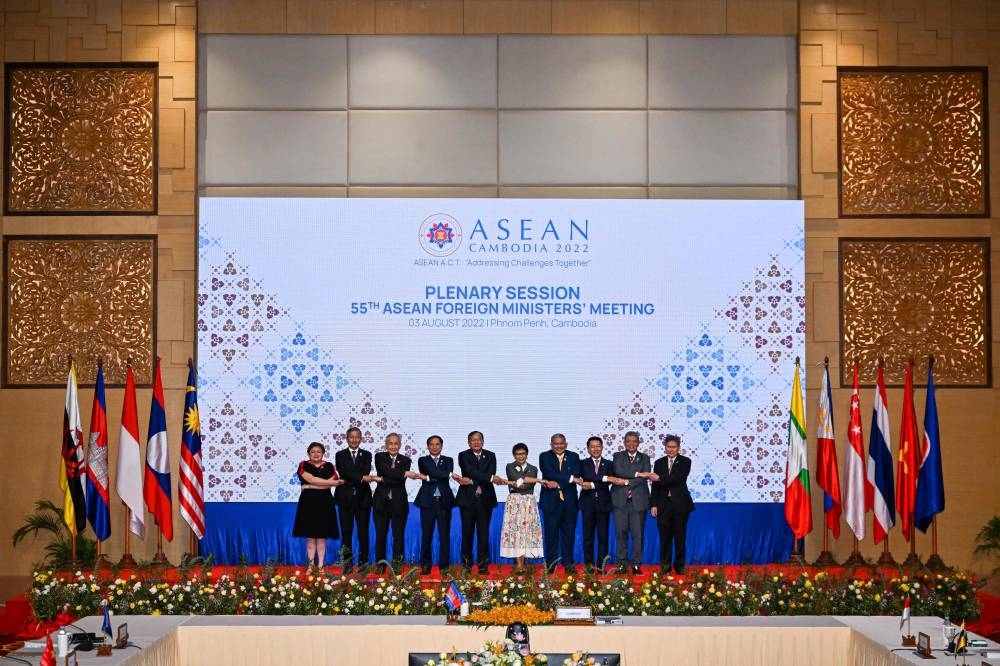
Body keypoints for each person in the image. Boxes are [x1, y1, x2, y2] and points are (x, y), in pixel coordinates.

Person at [453, 430, 503, 574]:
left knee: (483, 534)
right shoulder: (463, 455)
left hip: (485, 500)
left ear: (483, 441)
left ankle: (483, 565)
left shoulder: (491, 455)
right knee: (467, 533)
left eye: (478, 439)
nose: (476, 442)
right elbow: (470, 471)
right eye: (473, 440)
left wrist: (473, 480)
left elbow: (491, 472)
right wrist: (488, 478)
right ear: (469, 443)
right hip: (467, 500)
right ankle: (467, 565)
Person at [372, 432, 422, 572]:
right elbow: (384, 470)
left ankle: (397, 565)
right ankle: (380, 566)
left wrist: (382, 479)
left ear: (400, 445)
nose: (393, 446)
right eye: (390, 443)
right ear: (386, 445)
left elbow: (396, 478)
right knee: (380, 535)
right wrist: (405, 473)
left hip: (399, 503)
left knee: (398, 536)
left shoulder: (405, 460)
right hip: (381, 503)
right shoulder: (379, 456)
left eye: (396, 443)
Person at [611, 431, 658, 574]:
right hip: (620, 501)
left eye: (634, 441)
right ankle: (622, 563)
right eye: (628, 441)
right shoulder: (617, 456)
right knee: (621, 533)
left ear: (638, 442)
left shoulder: (645, 457)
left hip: (639, 502)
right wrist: (638, 473)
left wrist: (625, 480)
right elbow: (619, 470)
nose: (631, 443)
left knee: (638, 535)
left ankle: (636, 563)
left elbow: (645, 476)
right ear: (624, 443)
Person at [292, 442, 344, 567]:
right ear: (309, 453)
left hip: (325, 503)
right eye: (313, 451)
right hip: (308, 503)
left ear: (323, 453)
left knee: (322, 537)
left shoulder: (329, 465)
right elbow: (311, 479)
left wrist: (309, 486)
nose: (316, 454)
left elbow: (332, 482)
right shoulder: (303, 464)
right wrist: (324, 483)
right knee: (310, 538)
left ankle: (320, 566)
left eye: (319, 451)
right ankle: (310, 567)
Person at [334, 426, 377, 573]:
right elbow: (344, 473)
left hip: (363, 499)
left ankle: (364, 565)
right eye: (351, 437)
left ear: (361, 438)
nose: (354, 439)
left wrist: (358, 477)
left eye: (357, 437)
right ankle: (347, 565)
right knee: (346, 533)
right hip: (344, 499)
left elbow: (364, 471)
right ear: (347, 439)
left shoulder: (367, 454)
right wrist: (361, 478)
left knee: (363, 533)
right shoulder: (340, 455)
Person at [650, 434, 695, 575]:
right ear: (665, 448)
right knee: (665, 537)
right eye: (668, 446)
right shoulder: (659, 462)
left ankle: (679, 565)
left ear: (678, 448)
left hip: (680, 505)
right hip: (663, 505)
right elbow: (655, 486)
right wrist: (654, 504)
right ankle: (665, 565)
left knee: (680, 536)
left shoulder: (686, 461)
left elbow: (678, 479)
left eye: (673, 447)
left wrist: (659, 478)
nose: (671, 449)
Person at [538, 433, 582, 574]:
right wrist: (570, 479)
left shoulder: (574, 456)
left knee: (569, 534)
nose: (558, 446)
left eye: (561, 443)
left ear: (566, 444)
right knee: (551, 534)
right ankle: (551, 564)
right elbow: (549, 473)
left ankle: (568, 563)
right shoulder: (544, 456)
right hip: (550, 501)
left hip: (569, 501)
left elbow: (577, 473)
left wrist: (561, 481)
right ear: (551, 445)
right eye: (555, 444)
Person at [577, 436, 620, 573]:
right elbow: (585, 478)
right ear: (588, 449)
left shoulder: (609, 464)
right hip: (587, 504)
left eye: (598, 446)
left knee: (603, 537)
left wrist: (593, 483)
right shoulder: (582, 463)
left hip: (603, 504)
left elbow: (609, 481)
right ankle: (589, 566)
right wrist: (603, 478)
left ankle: (601, 566)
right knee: (588, 538)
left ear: (602, 447)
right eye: (592, 446)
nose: (595, 449)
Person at [414, 435, 454, 575]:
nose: (435, 446)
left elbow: (439, 476)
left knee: (444, 535)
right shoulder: (422, 460)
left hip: (444, 502)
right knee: (427, 535)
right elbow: (435, 473)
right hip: (427, 502)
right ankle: (425, 565)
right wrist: (445, 474)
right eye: (432, 444)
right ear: (428, 446)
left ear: (441, 446)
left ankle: (444, 566)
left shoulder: (449, 460)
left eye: (437, 444)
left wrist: (430, 478)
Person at [499, 443, 543, 569]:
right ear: (514, 455)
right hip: (514, 502)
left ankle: (525, 562)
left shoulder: (533, 468)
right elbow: (519, 483)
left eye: (523, 453)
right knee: (516, 531)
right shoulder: (509, 466)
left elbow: (526, 485)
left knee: (528, 531)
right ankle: (519, 564)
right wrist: (517, 481)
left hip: (529, 502)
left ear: (527, 454)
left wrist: (513, 482)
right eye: (518, 454)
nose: (521, 456)